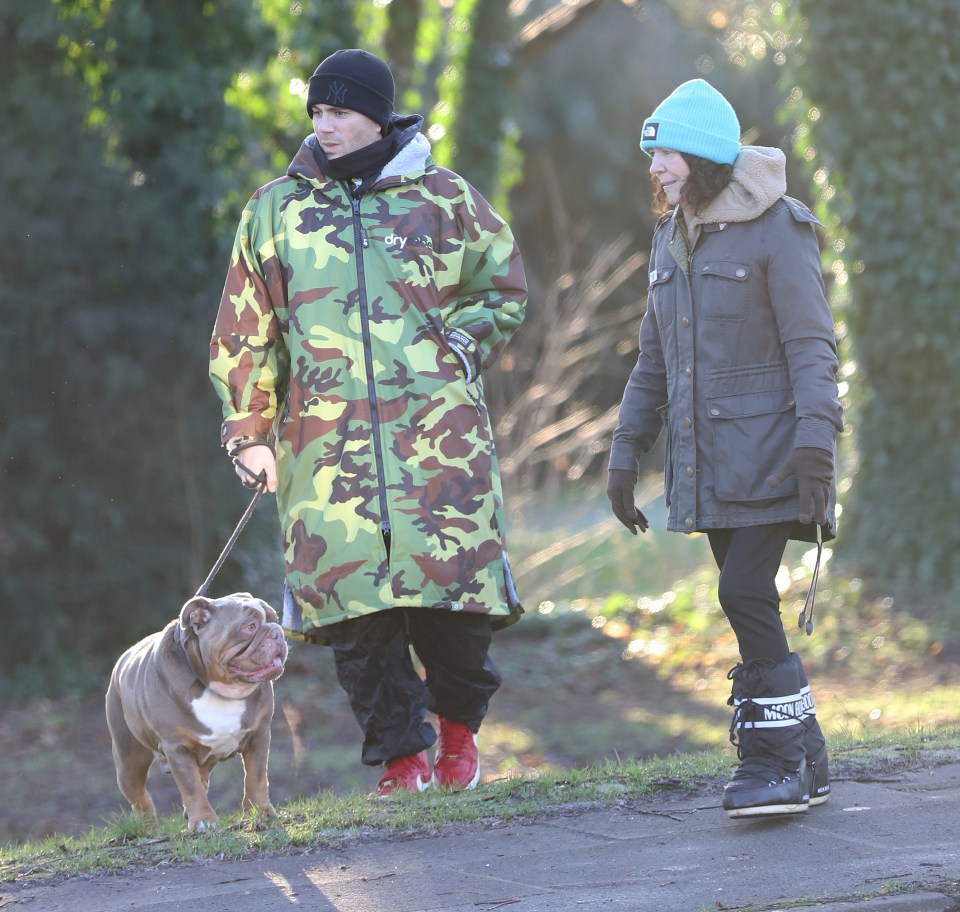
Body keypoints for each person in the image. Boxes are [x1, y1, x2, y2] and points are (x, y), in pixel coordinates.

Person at [209, 49, 527, 797]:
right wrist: (250, 432)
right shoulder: (275, 210)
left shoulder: (444, 197)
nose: (327, 127)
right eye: (318, 113)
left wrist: (458, 342)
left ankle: (456, 738)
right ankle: (400, 758)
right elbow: (243, 330)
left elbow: (505, 284)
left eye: (341, 112)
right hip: (325, 452)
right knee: (357, 615)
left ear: (377, 116)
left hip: (437, 444)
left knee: (452, 601)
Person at [606, 79, 842, 818]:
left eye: (667, 153)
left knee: (741, 593)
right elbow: (654, 358)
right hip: (708, 464)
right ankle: (805, 754)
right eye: (653, 156)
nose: (656, 168)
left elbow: (812, 346)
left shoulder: (780, 228)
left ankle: (773, 764)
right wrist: (625, 449)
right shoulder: (673, 236)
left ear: (703, 155)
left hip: (775, 454)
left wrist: (816, 445)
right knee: (751, 604)